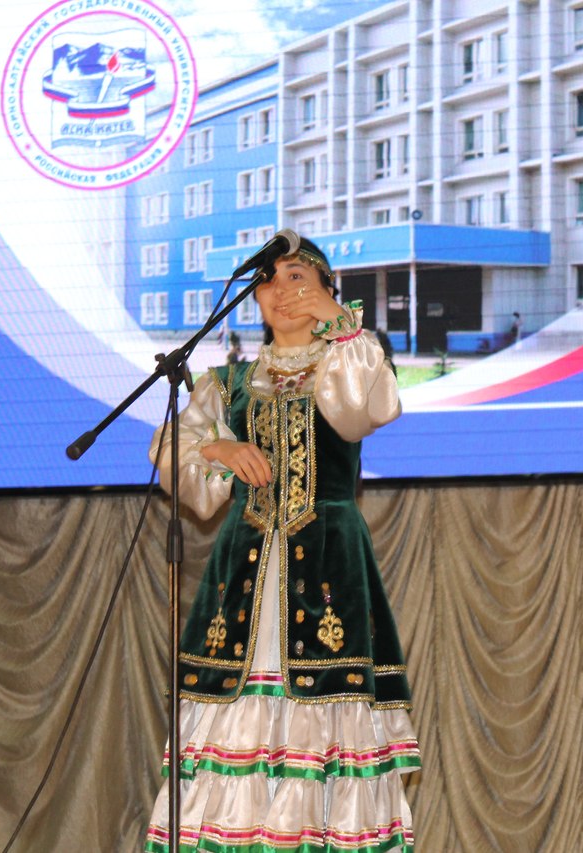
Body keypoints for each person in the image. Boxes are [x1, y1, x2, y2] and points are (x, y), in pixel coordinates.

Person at [145, 236, 420, 852]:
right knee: (231, 731)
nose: (283, 290)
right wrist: (219, 448)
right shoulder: (230, 383)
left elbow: (359, 412)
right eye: (268, 280)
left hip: (328, 569)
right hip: (241, 582)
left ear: (326, 289)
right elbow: (174, 453)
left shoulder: (350, 361)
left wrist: (341, 325)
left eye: (298, 276)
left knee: (327, 722)